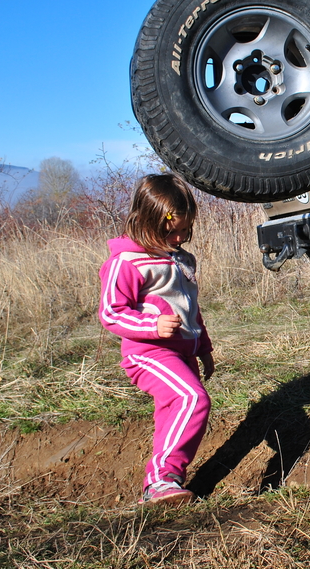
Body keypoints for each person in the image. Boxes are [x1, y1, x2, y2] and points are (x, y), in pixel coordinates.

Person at [98, 173, 215, 505]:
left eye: (185, 230)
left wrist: (204, 347)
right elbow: (110, 312)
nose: (179, 237)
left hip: (183, 353)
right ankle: (163, 480)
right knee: (193, 401)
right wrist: (152, 325)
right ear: (147, 222)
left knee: (173, 410)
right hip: (147, 353)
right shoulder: (126, 262)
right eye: (171, 231)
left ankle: (163, 483)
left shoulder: (181, 259)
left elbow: (190, 308)